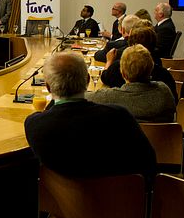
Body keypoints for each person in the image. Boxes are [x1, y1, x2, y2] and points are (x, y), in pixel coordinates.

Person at [24, 51, 156, 179]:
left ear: (48, 87)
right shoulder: (120, 116)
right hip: (120, 199)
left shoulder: (35, 125)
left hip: (63, 201)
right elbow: (148, 163)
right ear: (87, 80)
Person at [87, 44, 175, 122]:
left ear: (123, 73)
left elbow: (83, 98)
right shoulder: (165, 92)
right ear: (151, 68)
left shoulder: (109, 97)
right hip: (163, 140)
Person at [99, 23, 178, 102]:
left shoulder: (118, 67)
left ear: (130, 44)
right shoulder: (164, 74)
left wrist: (109, 61)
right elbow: (174, 102)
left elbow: (105, 77)